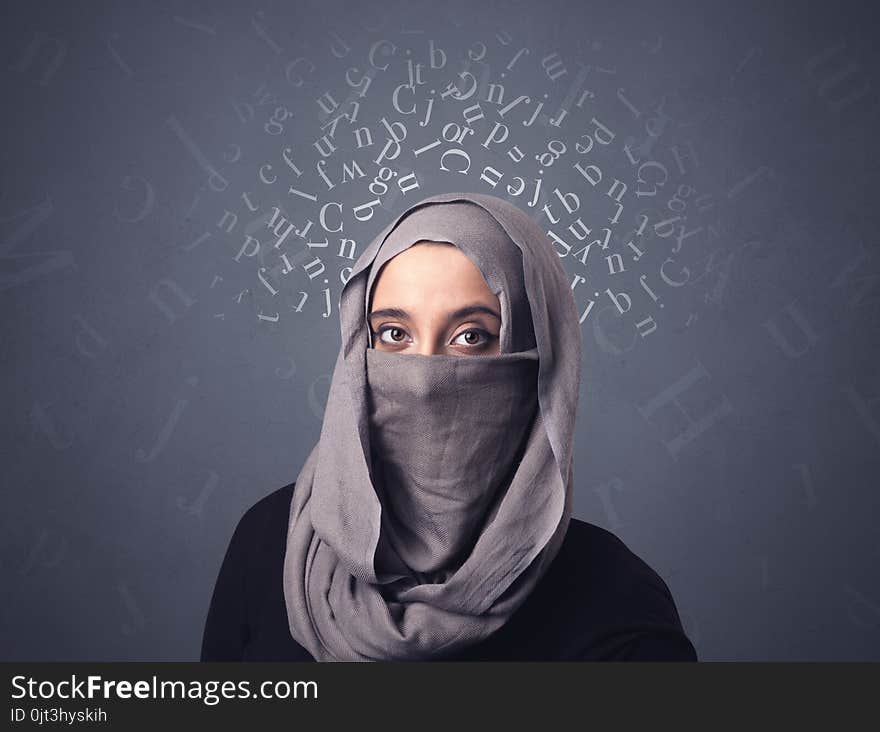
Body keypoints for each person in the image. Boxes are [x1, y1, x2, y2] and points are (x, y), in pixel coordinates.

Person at [201, 192, 698, 662]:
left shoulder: (616, 604)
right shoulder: (272, 542)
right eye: (394, 333)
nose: (423, 381)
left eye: (471, 336)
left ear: (540, 361)